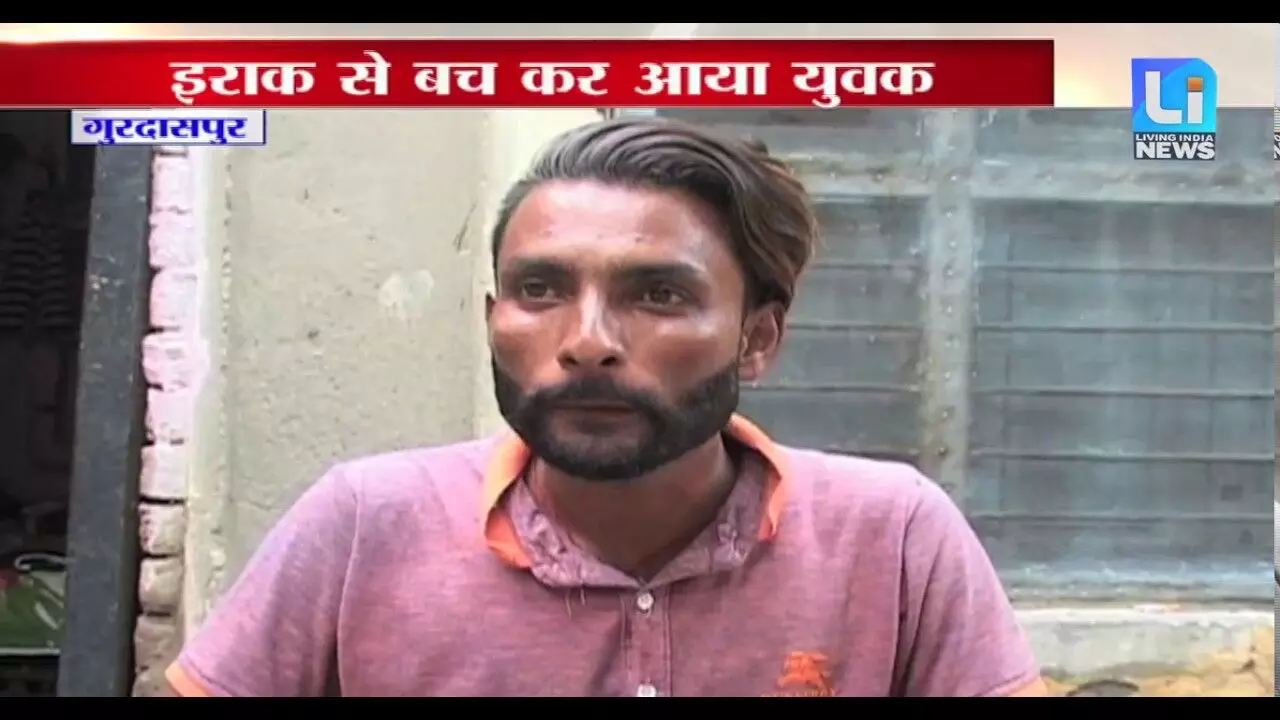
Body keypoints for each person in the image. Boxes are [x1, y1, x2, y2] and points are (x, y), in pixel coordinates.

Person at [164, 116, 1047, 698]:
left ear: (757, 338)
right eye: (540, 290)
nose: (587, 341)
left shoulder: (891, 539)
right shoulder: (365, 524)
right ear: (492, 321)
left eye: (658, 295)